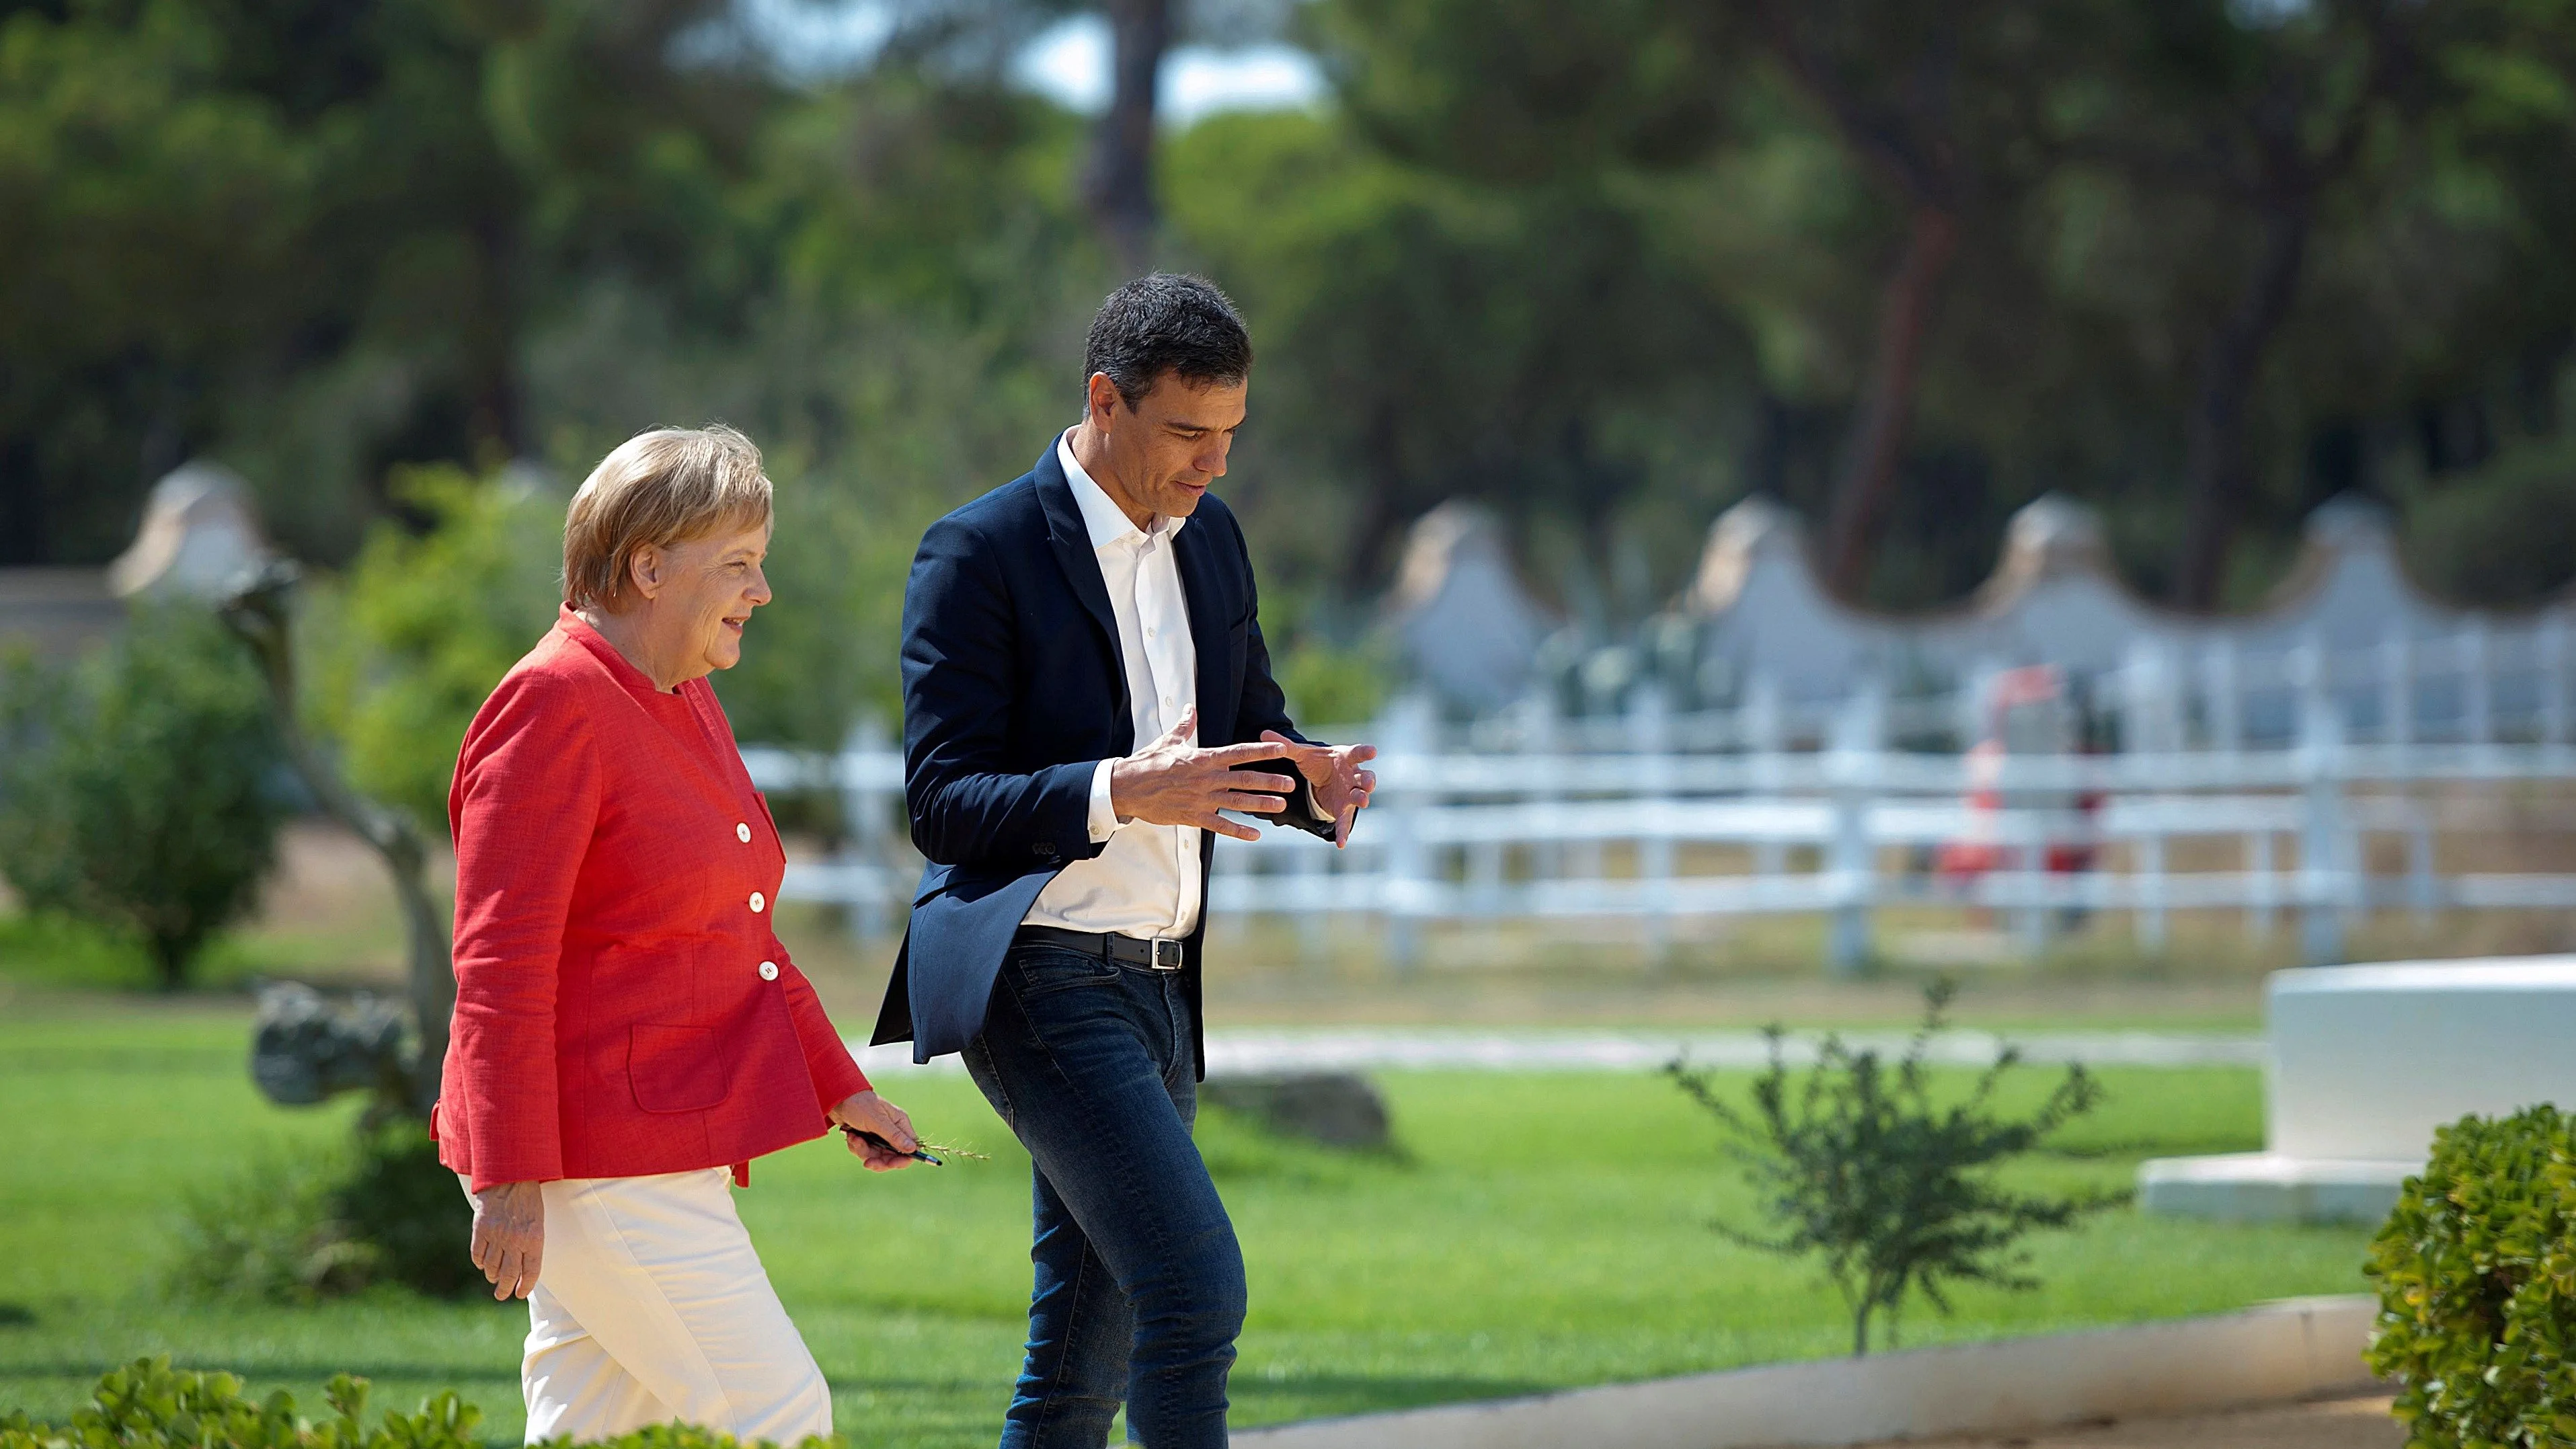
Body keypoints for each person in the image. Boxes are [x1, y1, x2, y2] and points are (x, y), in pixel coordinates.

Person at [872, 274, 1378, 1448]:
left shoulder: (1215, 542)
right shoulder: (976, 552)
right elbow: (941, 803)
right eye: (1189, 433)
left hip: (1162, 987)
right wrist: (1120, 788)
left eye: (1232, 436)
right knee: (1195, 1291)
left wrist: (1311, 777)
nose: (1214, 465)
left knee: (1079, 1364)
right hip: (1037, 981)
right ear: (1105, 399)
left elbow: (1251, 721)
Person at [433, 424, 923, 1445]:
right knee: (781, 1414)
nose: (761, 590)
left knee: (593, 1436)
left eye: (761, 562)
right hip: (598, 1162)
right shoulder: (552, 702)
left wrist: (844, 1087)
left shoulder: (682, 692)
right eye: (738, 564)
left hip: (651, 1146)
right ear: (649, 566)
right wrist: (510, 1179)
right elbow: (498, 967)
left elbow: (742, 932)